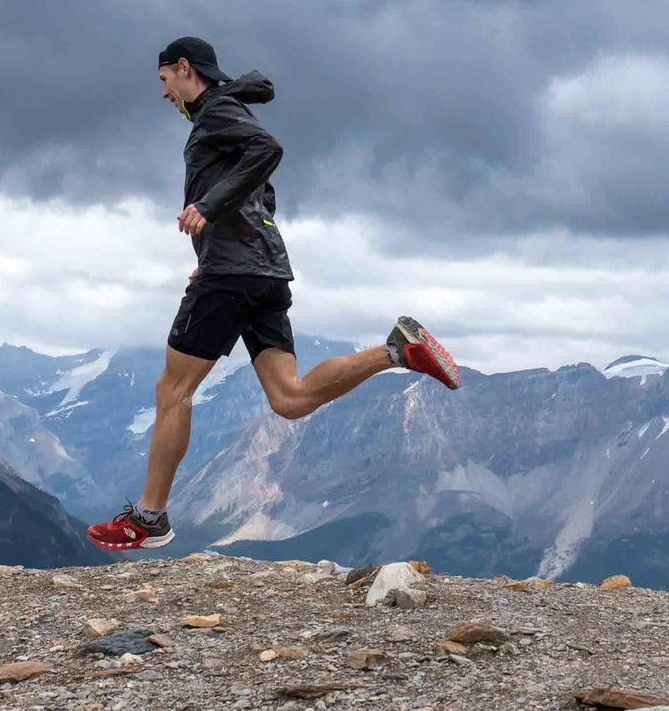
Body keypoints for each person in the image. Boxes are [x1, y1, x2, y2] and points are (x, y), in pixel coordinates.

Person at [85, 36, 461, 551]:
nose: (164, 92)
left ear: (183, 67)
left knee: (173, 391)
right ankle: (398, 349)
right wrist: (213, 255)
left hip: (233, 274)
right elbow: (261, 195)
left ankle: (148, 519)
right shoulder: (230, 115)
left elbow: (269, 153)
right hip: (265, 273)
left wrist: (212, 216)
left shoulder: (217, 112)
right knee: (288, 398)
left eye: (164, 80)